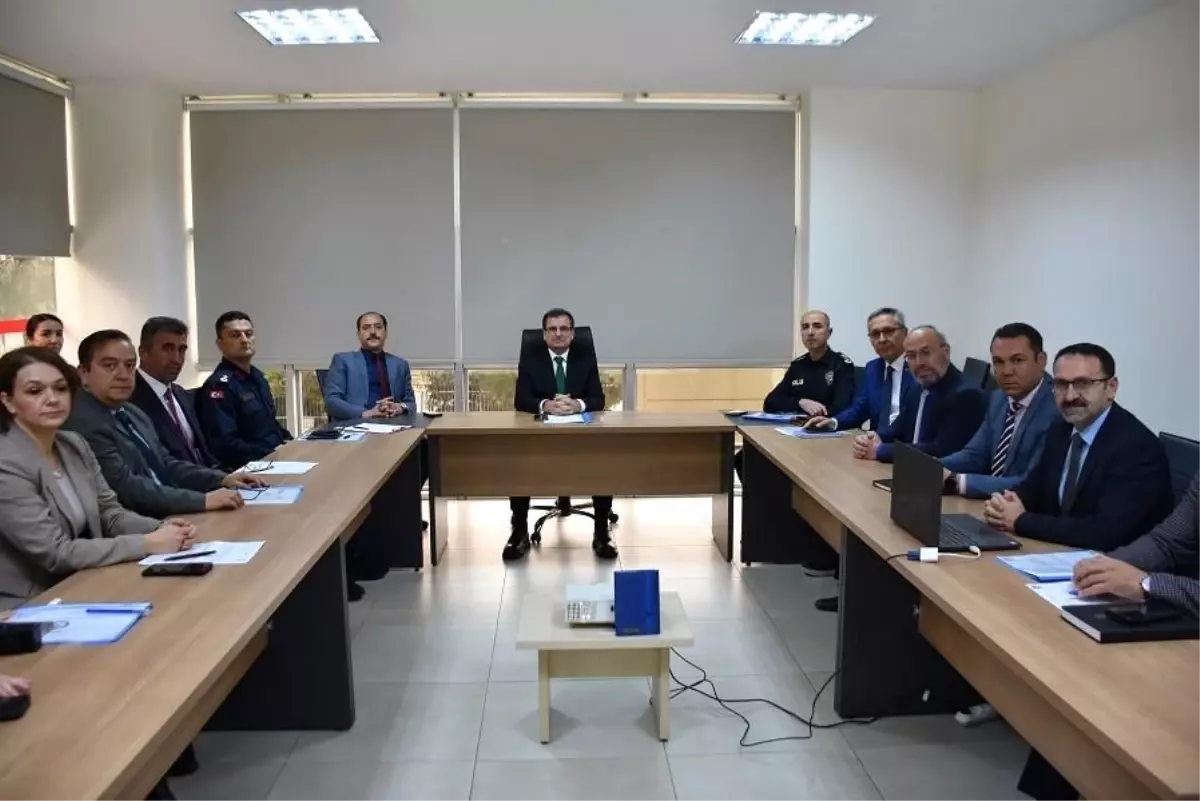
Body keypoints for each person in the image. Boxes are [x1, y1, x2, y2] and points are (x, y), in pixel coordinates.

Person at [0, 346, 195, 609]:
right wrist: (146, 543)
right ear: (8, 401)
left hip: (86, 581)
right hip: (28, 604)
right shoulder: (6, 462)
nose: (52, 399)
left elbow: (111, 514)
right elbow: (56, 552)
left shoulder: (73, 444)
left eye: (60, 388)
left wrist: (161, 528)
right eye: (35, 391)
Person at [982, 343, 1173, 550]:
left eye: (1083, 384)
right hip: (1061, 552)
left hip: (1116, 562)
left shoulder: (1137, 448)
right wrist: (1005, 504)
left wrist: (1020, 520)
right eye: (1061, 384)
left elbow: (1104, 532)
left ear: (1111, 388)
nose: (1070, 396)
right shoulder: (1061, 428)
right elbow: (1033, 488)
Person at [63, 329, 263, 518]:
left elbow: (166, 464)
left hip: (172, 514)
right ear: (84, 373)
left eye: (130, 365)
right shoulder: (84, 422)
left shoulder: (132, 412)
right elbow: (127, 488)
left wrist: (221, 479)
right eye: (109, 365)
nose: (123, 375)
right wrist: (203, 500)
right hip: (141, 525)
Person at [506, 308, 614, 562]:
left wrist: (578, 404)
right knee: (518, 460)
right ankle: (519, 532)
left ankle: (601, 532)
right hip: (540, 434)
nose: (558, 334)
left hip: (580, 433)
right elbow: (521, 400)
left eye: (564, 329)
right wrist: (546, 405)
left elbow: (598, 398)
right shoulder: (532, 358)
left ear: (573, 333)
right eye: (552, 329)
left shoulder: (584, 357)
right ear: (544, 334)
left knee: (604, 459)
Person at [941, 323, 1058, 498]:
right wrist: (931, 467)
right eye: (998, 362)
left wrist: (956, 481)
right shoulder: (998, 398)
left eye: (1017, 360)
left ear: (1041, 360)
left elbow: (1030, 482)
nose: (1006, 371)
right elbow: (975, 454)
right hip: (990, 503)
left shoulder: (1057, 408)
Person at [852, 325, 985, 464]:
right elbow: (898, 429)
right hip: (909, 469)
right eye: (911, 356)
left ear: (946, 352)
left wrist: (880, 450)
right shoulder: (918, 387)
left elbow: (942, 450)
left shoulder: (966, 395)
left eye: (926, 353)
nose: (919, 363)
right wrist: (873, 439)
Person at [195, 311, 292, 471]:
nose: (244, 340)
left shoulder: (257, 378)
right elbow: (225, 445)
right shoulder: (219, 386)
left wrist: (292, 444)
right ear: (220, 344)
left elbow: (270, 426)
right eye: (235, 335)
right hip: (249, 469)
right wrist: (272, 453)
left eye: (249, 334)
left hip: (274, 459)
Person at [130, 316, 220, 468]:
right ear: (143, 352)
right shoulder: (130, 399)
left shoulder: (180, 394)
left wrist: (226, 476)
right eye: (167, 349)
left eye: (182, 350)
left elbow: (202, 452)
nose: (177, 359)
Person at [806, 307, 913, 434]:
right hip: (874, 441)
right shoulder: (873, 368)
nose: (882, 339)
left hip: (906, 443)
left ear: (905, 333)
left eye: (889, 331)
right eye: (875, 334)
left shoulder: (918, 368)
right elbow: (860, 409)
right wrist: (833, 422)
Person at [324, 311, 417, 421]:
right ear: (359, 335)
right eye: (366, 328)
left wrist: (400, 407)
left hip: (394, 425)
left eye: (378, 327)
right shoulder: (342, 360)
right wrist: (365, 413)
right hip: (356, 426)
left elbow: (411, 404)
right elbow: (331, 402)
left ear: (385, 333)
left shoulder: (400, 365)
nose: (372, 332)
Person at [762, 310, 855, 416]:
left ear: (829, 333)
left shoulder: (841, 364)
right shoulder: (797, 366)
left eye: (817, 326)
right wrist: (800, 402)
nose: (810, 332)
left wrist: (817, 412)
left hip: (826, 424)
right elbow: (770, 403)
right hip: (796, 424)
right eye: (805, 327)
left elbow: (843, 408)